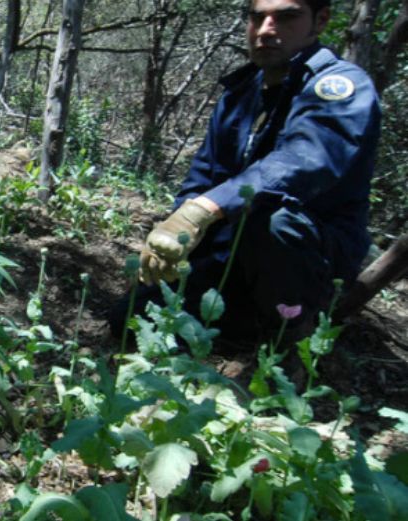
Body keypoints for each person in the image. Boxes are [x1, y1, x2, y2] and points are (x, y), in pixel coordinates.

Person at [109, 0, 381, 344]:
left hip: (306, 260)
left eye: (286, 17)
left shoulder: (339, 87)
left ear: (320, 20)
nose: (267, 29)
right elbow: (204, 177)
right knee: (130, 322)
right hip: (233, 260)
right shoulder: (241, 93)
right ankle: (251, 325)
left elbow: (305, 161)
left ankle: (293, 337)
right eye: (258, 17)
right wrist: (179, 235)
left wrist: (202, 211)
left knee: (271, 220)